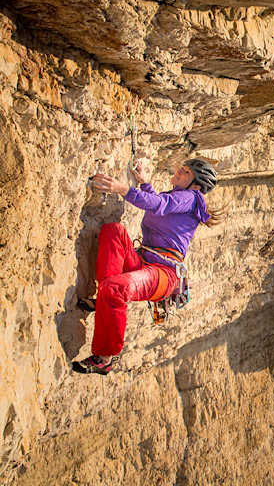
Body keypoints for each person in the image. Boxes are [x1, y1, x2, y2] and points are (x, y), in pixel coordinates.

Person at [73, 158, 220, 375]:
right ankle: (105, 301)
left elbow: (159, 205)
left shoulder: (190, 199)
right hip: (144, 261)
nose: (180, 170)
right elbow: (158, 202)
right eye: (183, 167)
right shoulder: (178, 197)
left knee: (116, 288)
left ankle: (105, 358)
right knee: (114, 231)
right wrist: (144, 183)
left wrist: (121, 188)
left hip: (163, 274)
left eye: (186, 172)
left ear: (196, 186)